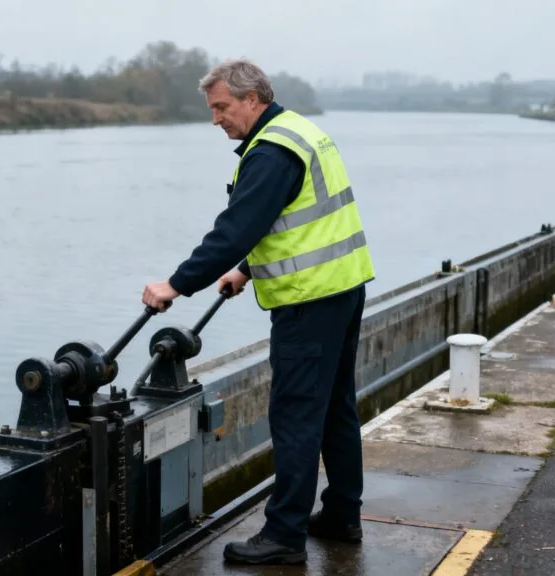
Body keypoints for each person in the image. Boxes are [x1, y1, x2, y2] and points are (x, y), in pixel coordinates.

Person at [140, 59, 375, 566]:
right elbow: (294, 219)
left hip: (308, 301)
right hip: (342, 288)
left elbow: (238, 227)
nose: (216, 119)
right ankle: (341, 514)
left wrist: (175, 286)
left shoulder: (270, 151)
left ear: (253, 99)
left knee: (294, 417)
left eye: (222, 107)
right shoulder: (298, 131)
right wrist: (247, 269)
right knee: (336, 408)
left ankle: (284, 535)